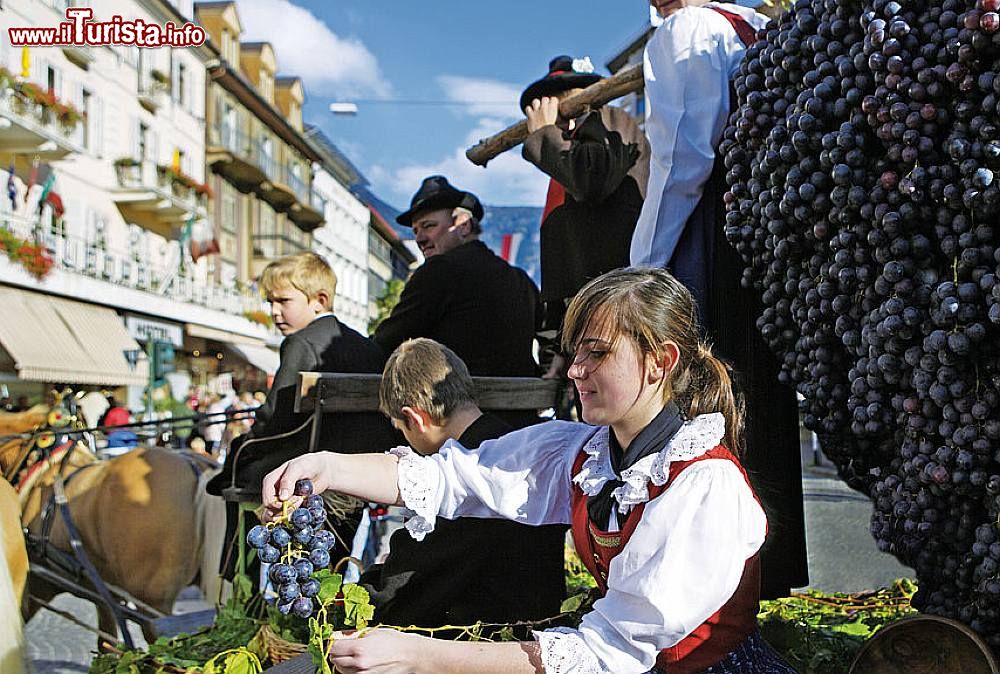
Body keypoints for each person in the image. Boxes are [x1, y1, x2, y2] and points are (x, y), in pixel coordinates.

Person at [263, 268, 799, 674]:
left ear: (661, 361)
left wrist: (418, 654)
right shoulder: (583, 454)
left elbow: (606, 654)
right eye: (573, 353)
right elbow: (453, 478)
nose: (576, 371)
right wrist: (326, 466)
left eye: (597, 353)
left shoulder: (704, 485)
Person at [634, 0, 808, 598]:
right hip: (760, 236)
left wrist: (642, 270)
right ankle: (761, 579)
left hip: (708, 237)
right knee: (753, 408)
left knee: (700, 406)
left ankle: (703, 594)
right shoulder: (758, 28)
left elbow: (682, 158)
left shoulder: (689, 29)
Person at [358, 338, 566, 629]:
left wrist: (368, 582)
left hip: (485, 637)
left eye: (400, 427)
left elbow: (398, 597)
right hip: (543, 623)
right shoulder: (520, 448)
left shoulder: (454, 479)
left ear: (414, 419)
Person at [206, 252, 392, 576]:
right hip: (357, 478)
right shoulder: (367, 346)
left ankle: (237, 577)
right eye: (270, 302)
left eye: (283, 301)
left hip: (308, 474)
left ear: (319, 300)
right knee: (330, 570)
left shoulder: (300, 343)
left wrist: (242, 447)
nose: (274, 311)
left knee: (238, 464)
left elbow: (274, 420)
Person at [521, 55, 650, 376]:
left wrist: (544, 136)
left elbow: (592, 180)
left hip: (618, 306)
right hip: (584, 321)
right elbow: (562, 255)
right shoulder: (564, 156)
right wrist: (560, 344)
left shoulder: (610, 121)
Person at [373, 176, 541, 381]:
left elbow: (386, 343)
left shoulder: (439, 271)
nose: (419, 239)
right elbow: (551, 334)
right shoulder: (521, 280)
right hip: (523, 400)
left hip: (455, 400)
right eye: (416, 230)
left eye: (428, 226)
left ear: (463, 225)